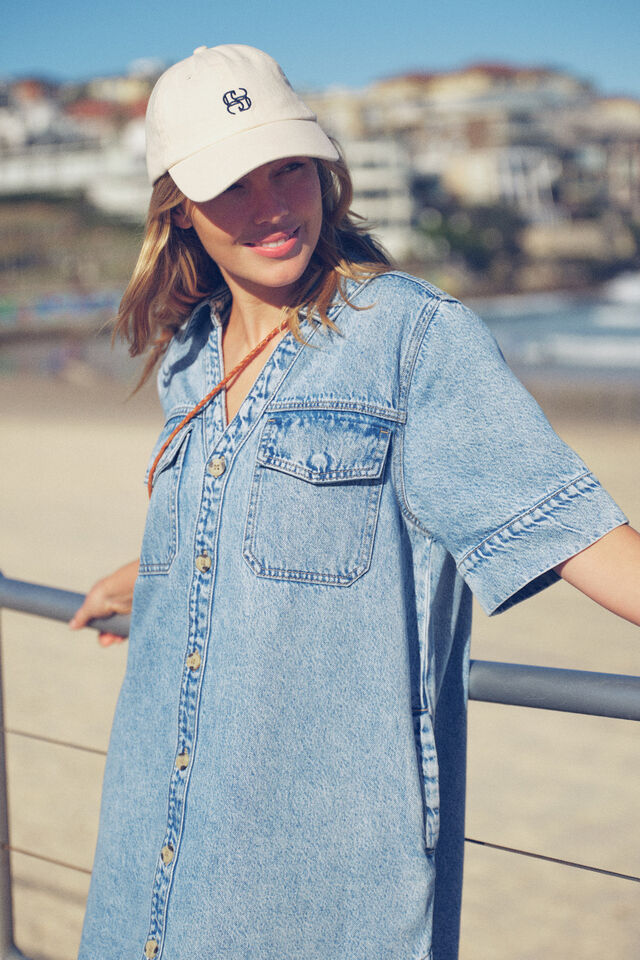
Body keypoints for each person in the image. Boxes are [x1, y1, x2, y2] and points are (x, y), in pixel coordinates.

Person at [69, 43, 640, 960]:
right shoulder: (188, 361)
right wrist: (165, 574)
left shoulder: (413, 340)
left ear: (326, 172)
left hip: (315, 890)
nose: (271, 207)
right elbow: (258, 531)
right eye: (233, 185)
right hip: (150, 868)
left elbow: (581, 538)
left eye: (288, 167)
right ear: (177, 209)